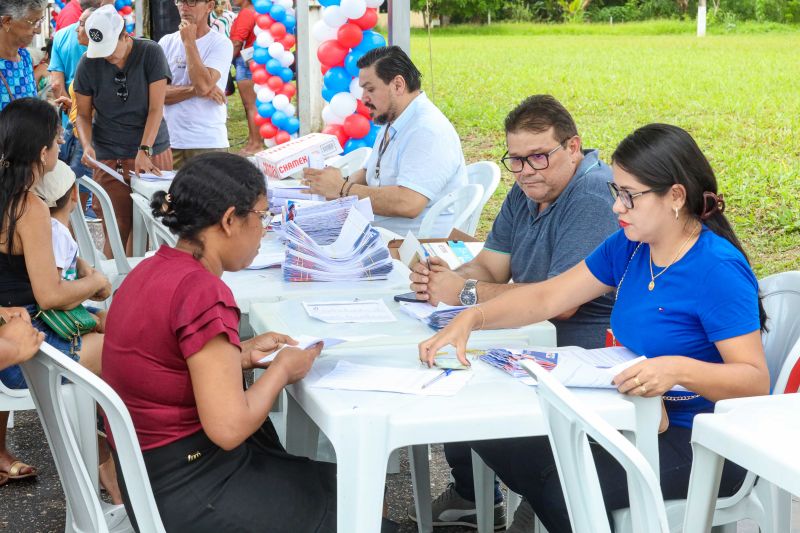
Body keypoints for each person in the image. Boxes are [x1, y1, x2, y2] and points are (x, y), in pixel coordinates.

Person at [419, 123, 769, 533]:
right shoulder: (634, 244)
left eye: (630, 196)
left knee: (564, 482)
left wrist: (675, 369)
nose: (617, 208)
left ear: (675, 196)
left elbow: (754, 381)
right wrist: (472, 316)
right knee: (498, 438)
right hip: (633, 415)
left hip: (699, 441)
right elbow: (548, 297)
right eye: (616, 192)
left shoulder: (716, 269)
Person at [407, 94, 618, 530]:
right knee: (450, 370)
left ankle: (544, 499)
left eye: (538, 157)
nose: (525, 171)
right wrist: (447, 276)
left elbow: (560, 303)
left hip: (580, 347)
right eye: (515, 160)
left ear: (574, 147)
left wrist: (462, 293)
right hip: (528, 336)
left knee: (465, 391)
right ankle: (481, 496)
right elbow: (490, 264)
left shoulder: (595, 194)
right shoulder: (528, 190)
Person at [100, 152, 340, 532]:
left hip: (150, 476)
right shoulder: (203, 291)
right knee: (351, 495)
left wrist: (238, 355)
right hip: (193, 487)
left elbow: (164, 363)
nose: (265, 230)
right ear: (230, 220)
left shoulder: (151, 267)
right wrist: (281, 370)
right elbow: (228, 429)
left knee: (329, 483)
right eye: (262, 217)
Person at [0, 97, 112, 485]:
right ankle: (110, 467)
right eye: (57, 134)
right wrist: (94, 283)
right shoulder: (27, 206)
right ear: (43, 151)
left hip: (13, 337)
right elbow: (49, 295)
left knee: (113, 328)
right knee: (128, 352)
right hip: (26, 349)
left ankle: (103, 457)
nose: (64, 138)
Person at [304, 45, 467, 237]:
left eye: (370, 89)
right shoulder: (395, 119)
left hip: (412, 249)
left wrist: (341, 188)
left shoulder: (427, 130)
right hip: (380, 235)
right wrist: (329, 184)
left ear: (398, 85)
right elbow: (368, 173)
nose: (363, 99)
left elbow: (409, 203)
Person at [74, 4, 173, 257]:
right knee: (116, 227)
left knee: (156, 226)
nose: (107, 57)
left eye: (111, 50)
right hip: (108, 155)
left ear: (125, 34)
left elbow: (156, 108)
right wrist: (87, 145)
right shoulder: (88, 63)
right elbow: (83, 115)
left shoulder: (150, 52)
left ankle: (148, 288)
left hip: (152, 149)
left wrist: (145, 149)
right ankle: (116, 288)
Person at [159, 0, 233, 168]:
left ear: (209, 6)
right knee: (171, 194)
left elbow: (203, 85)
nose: (184, 7)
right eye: (180, 1)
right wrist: (198, 90)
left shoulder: (220, 43)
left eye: (191, 2)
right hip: (170, 141)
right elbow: (158, 94)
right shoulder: (165, 42)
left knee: (211, 194)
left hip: (207, 142)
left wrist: (189, 42)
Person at [0, 0, 46, 111]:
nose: (38, 30)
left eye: (40, 21)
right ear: (7, 21)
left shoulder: (25, 58)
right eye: (34, 22)